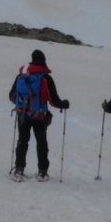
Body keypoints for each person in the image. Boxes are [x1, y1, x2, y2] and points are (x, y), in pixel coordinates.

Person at [8, 49, 69, 180]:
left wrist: (23, 104)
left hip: (23, 113)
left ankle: (19, 169)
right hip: (39, 115)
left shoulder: (22, 76)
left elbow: (12, 96)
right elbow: (54, 100)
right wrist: (64, 104)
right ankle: (42, 172)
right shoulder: (45, 78)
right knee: (41, 142)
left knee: (23, 141)